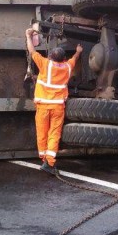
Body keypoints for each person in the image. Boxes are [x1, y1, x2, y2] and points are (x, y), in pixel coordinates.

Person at [25, 28, 82, 175]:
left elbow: (32, 51)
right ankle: (49, 162)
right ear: (63, 59)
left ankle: (44, 159)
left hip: (43, 108)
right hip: (58, 108)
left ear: (50, 57)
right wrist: (78, 51)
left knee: (42, 133)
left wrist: (28, 36)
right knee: (54, 134)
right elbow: (74, 59)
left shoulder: (45, 64)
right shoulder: (68, 67)